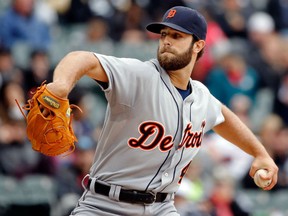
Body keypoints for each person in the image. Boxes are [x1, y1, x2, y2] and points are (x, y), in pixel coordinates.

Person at [42, 6, 278, 216]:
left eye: (177, 36)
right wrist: (62, 85)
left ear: (198, 45)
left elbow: (224, 117)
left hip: (162, 207)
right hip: (105, 205)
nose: (166, 41)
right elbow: (81, 58)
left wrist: (260, 153)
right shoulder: (139, 75)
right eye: (163, 34)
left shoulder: (201, 95)